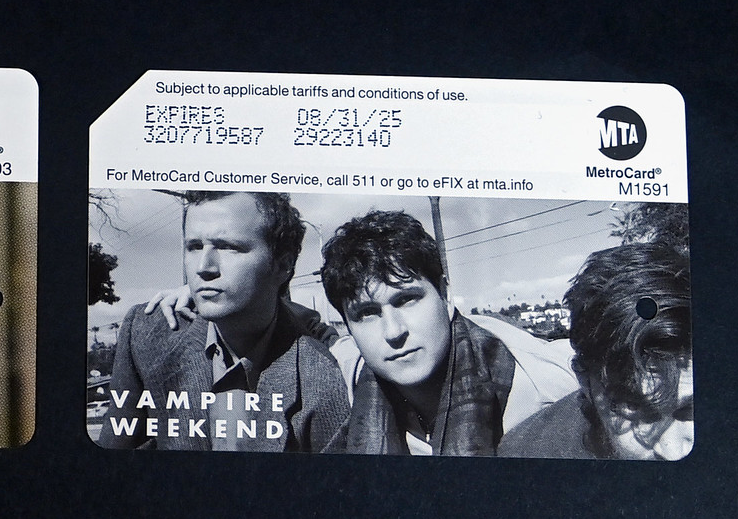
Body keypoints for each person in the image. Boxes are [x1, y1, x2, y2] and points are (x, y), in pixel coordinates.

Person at [93, 191, 347, 452]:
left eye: (228, 247)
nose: (203, 267)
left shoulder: (324, 371)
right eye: (194, 247)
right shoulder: (147, 333)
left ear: (283, 265)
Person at [315, 210, 571, 455]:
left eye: (407, 300)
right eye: (367, 314)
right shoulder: (339, 381)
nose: (393, 332)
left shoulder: (545, 390)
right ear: (348, 327)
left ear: (446, 295)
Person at [499, 241, 693, 460]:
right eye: (634, 408)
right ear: (585, 382)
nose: (674, 453)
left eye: (690, 409)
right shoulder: (527, 457)